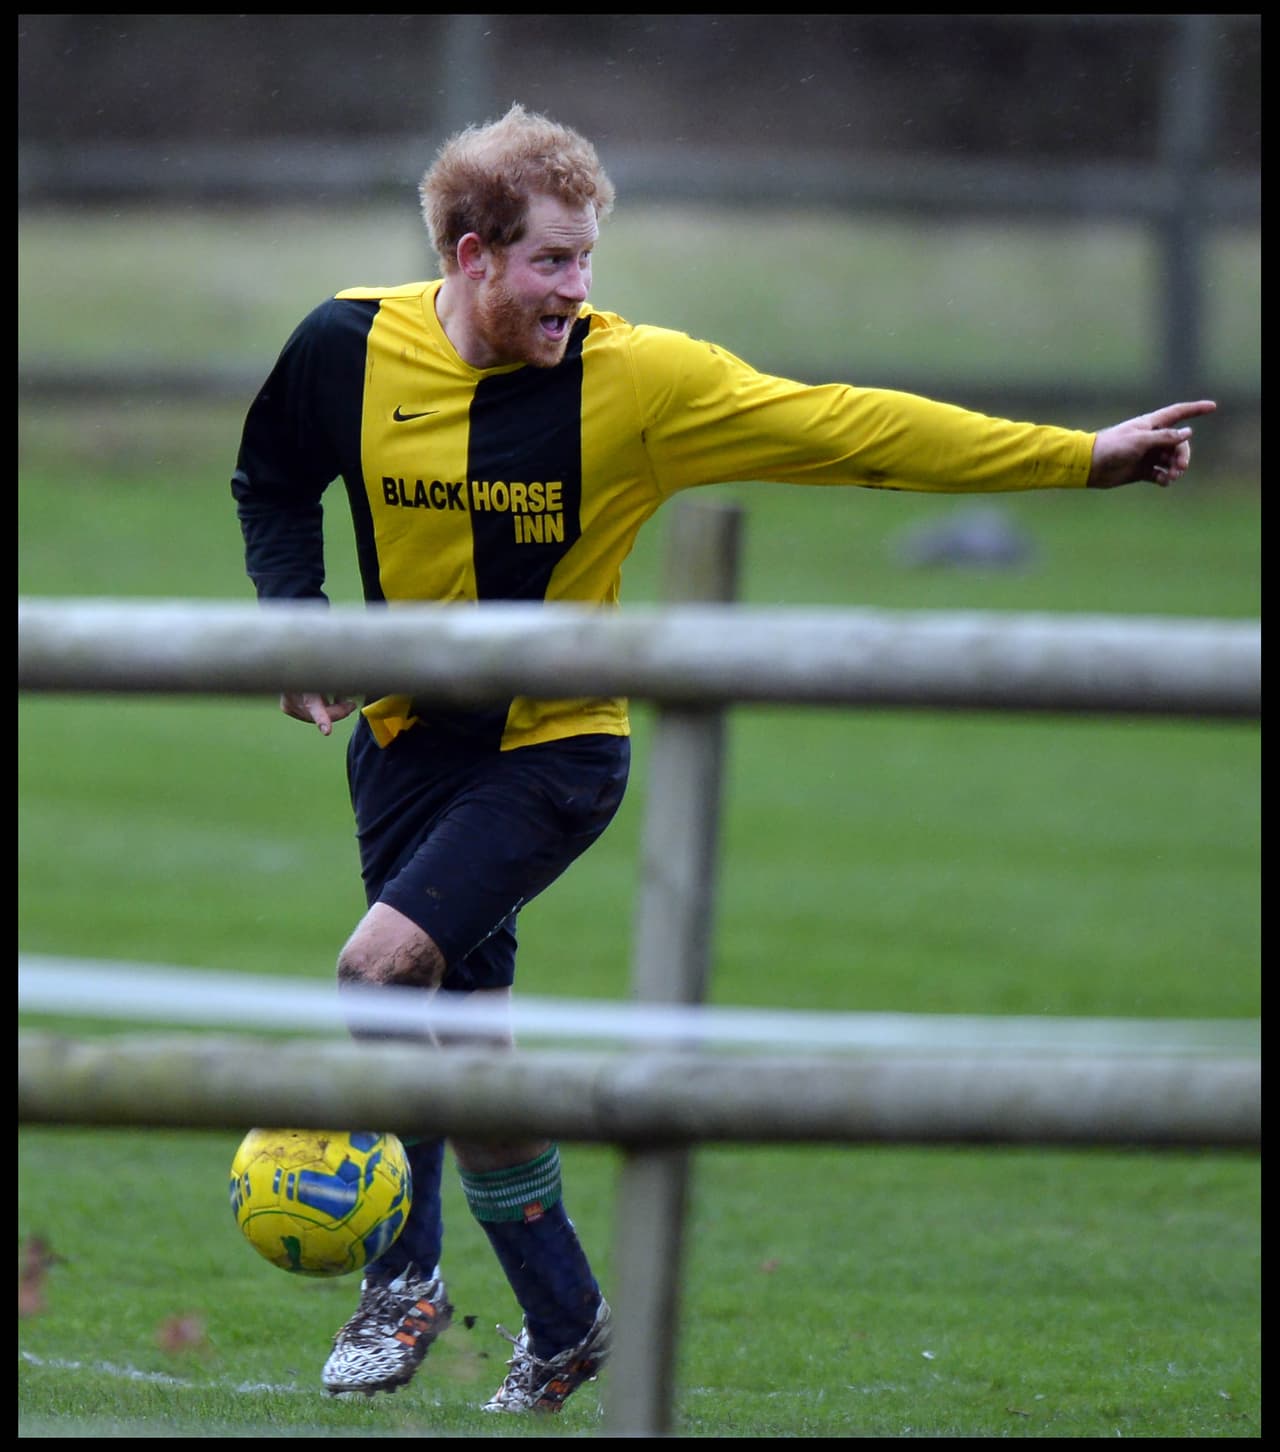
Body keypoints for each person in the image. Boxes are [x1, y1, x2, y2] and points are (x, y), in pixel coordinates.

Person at [230, 102, 1215, 1414]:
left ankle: (399, 1284)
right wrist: (297, 622)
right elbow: (270, 475)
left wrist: (1081, 459)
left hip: (556, 753)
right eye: (552, 263)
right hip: (404, 750)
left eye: (589, 261)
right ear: (470, 257)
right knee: (468, 1057)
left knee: (381, 970)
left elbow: (844, 429)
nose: (579, 292)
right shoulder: (343, 346)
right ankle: (570, 1324)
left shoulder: (637, 382)